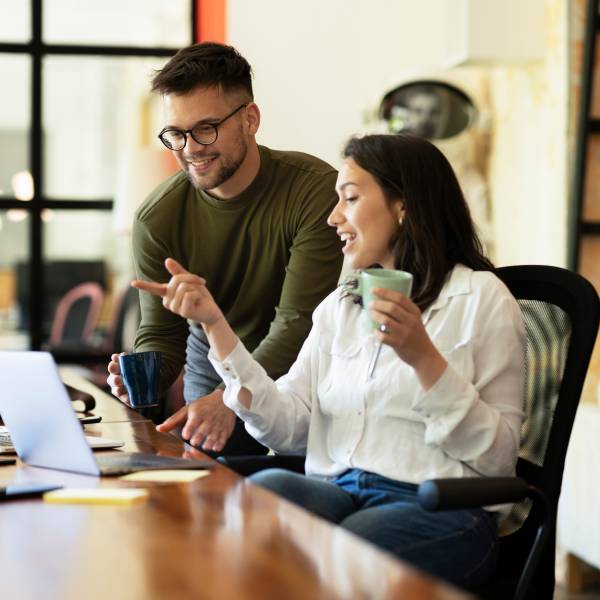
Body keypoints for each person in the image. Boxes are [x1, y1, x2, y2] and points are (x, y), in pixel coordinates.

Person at [132, 133, 526, 588]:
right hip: (338, 491)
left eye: (351, 199)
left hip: (439, 507)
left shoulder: (481, 300)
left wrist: (423, 359)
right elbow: (288, 428)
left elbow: (499, 460)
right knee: (258, 499)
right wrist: (215, 325)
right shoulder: (340, 308)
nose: (333, 217)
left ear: (404, 205)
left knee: (345, 547)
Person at [106, 42, 343, 455]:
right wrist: (139, 376)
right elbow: (162, 336)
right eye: (176, 134)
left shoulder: (315, 190)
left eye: (206, 129)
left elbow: (297, 324)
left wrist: (232, 398)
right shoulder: (157, 219)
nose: (190, 148)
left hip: (307, 363)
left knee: (289, 484)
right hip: (214, 362)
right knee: (212, 487)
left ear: (250, 119)